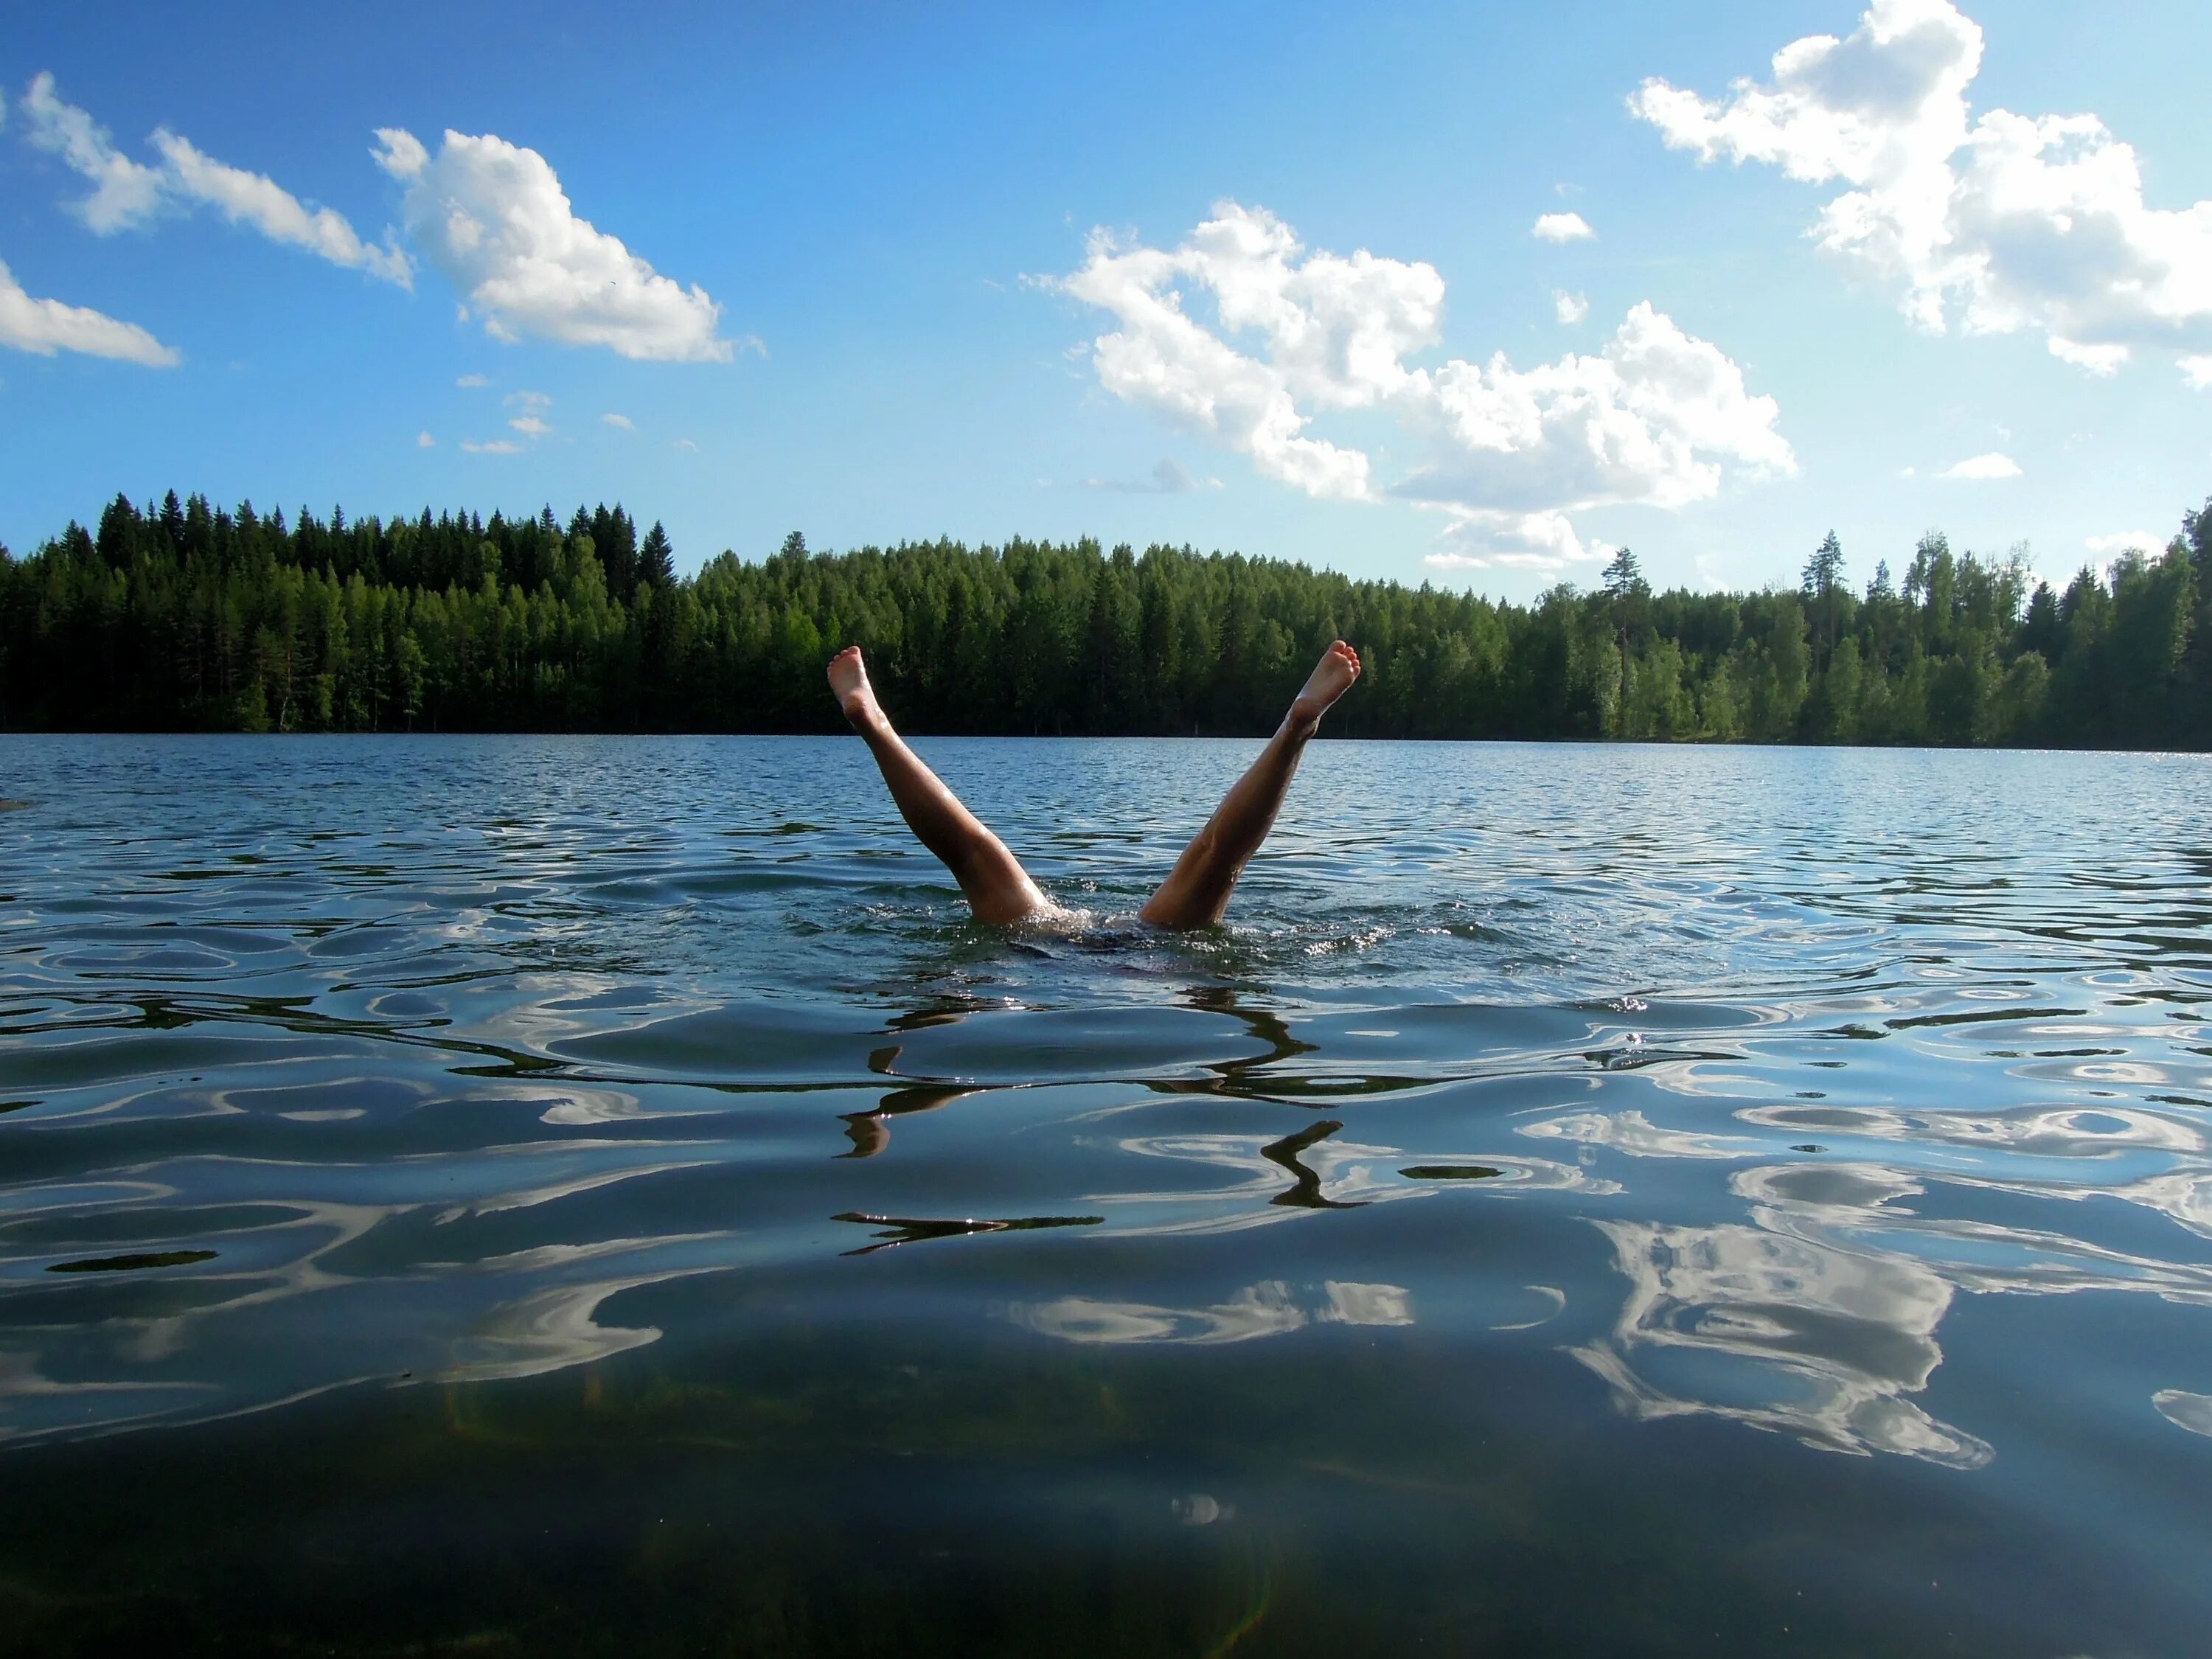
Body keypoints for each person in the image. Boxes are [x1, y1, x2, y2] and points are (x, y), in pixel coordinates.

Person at [825, 639, 1362, 928]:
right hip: (1154, 956)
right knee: (1215, 859)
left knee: (974, 853)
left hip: (1041, 944)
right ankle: (1296, 729)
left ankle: (877, 727)